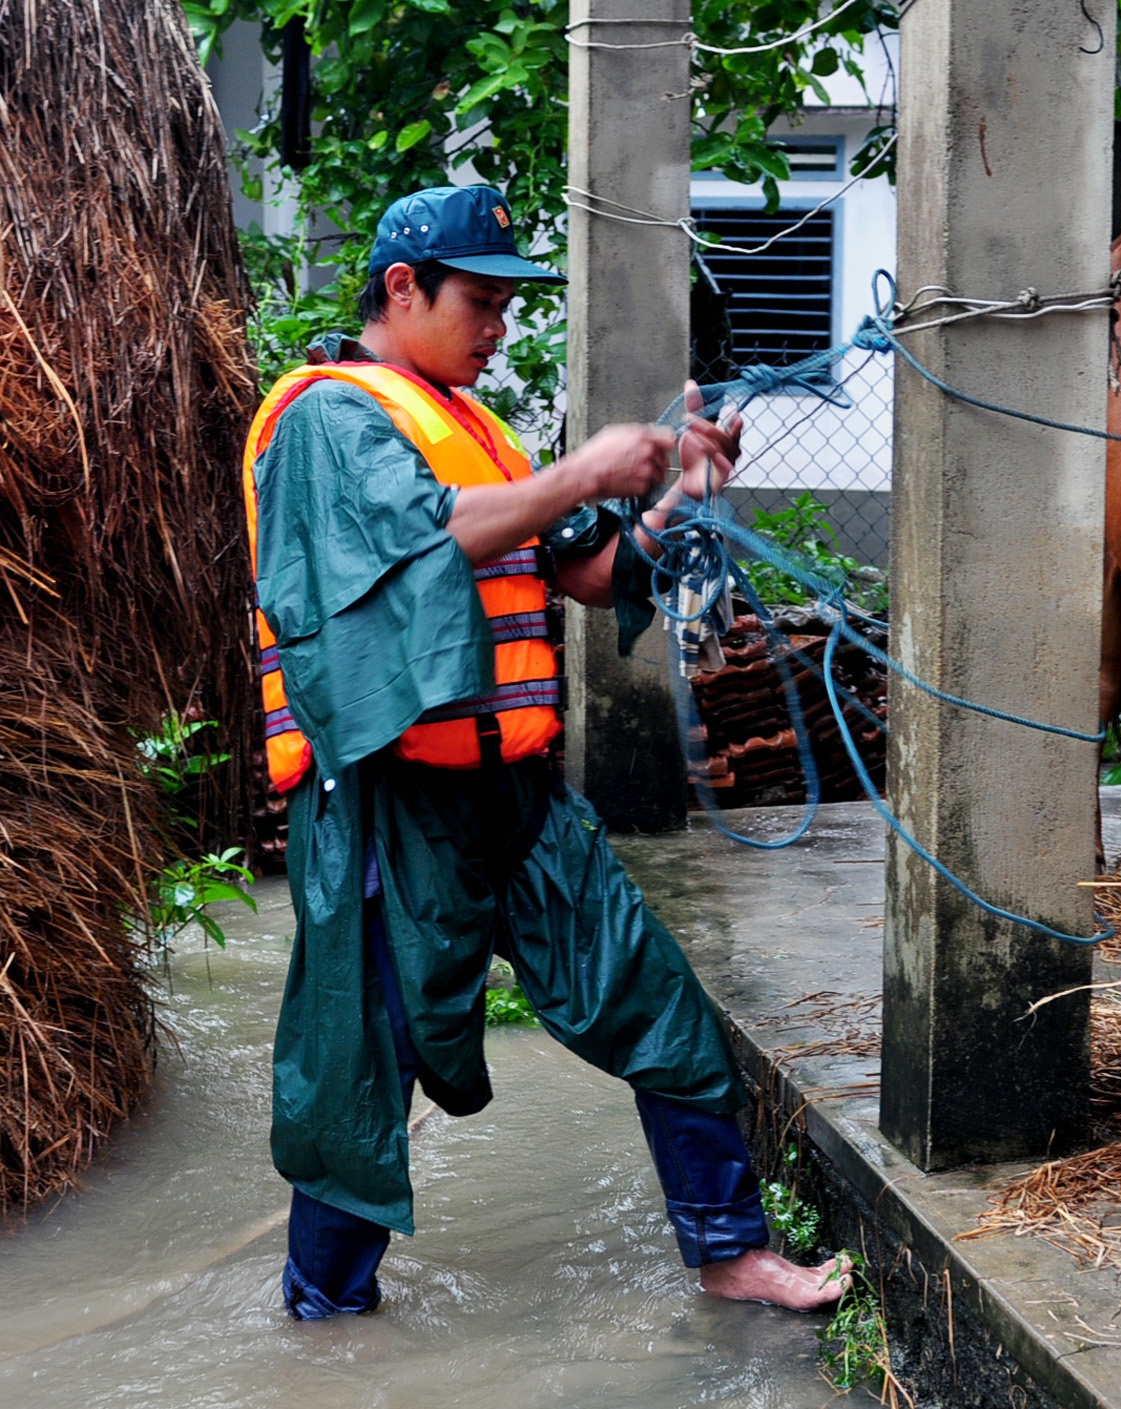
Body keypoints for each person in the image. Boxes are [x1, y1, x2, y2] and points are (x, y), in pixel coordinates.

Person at [242, 183, 847, 1319]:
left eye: (507, 305)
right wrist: (583, 470)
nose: (500, 326)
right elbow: (427, 537)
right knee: (359, 1068)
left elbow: (586, 571)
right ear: (402, 289)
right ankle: (324, 1317)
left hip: (516, 796)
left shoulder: (479, 428)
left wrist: (675, 493)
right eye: (481, 301)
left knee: (657, 1001)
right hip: (390, 803)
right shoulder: (327, 418)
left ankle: (729, 1248)